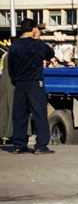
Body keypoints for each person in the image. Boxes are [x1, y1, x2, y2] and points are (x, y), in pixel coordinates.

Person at [8, 19, 55, 154]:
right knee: (39, 113)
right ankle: (41, 145)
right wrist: (38, 38)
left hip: (20, 83)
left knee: (19, 114)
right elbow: (50, 54)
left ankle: (19, 144)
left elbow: (10, 67)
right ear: (34, 29)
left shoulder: (15, 46)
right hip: (35, 82)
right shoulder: (37, 44)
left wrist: (15, 80)